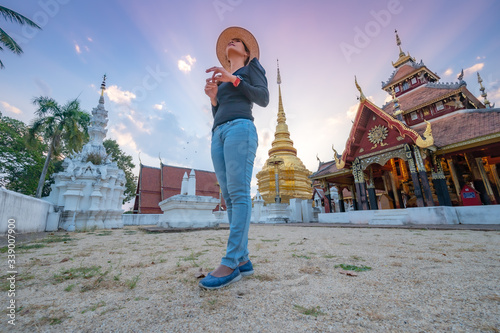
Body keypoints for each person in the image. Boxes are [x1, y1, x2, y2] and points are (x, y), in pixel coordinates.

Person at [199, 26, 269, 289]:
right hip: (219, 131)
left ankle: (230, 262)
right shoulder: (221, 80)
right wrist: (213, 97)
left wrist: (235, 79)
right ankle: (243, 260)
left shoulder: (252, 69)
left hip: (241, 128)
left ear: (247, 52)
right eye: (230, 40)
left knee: (239, 193)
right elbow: (218, 112)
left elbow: (263, 98)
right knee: (228, 196)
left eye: (238, 41)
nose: (233, 41)